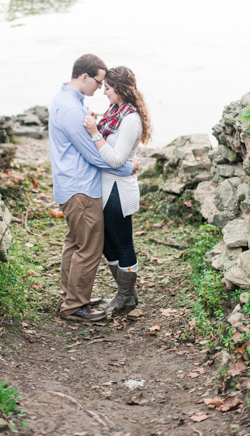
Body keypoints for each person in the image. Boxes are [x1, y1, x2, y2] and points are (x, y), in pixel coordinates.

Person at [49, 54, 139, 322]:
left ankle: (71, 297)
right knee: (89, 247)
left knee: (75, 243)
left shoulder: (66, 100)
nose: (101, 88)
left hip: (71, 183)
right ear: (85, 76)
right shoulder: (71, 109)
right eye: (99, 82)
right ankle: (75, 306)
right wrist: (128, 167)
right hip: (81, 188)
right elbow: (93, 154)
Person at [83, 66, 151, 315]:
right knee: (108, 246)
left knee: (122, 245)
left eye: (108, 88)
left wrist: (94, 133)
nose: (105, 93)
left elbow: (115, 159)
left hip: (119, 192)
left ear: (120, 89)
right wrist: (95, 129)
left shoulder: (130, 118)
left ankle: (124, 296)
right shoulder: (115, 111)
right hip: (106, 188)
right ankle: (127, 296)